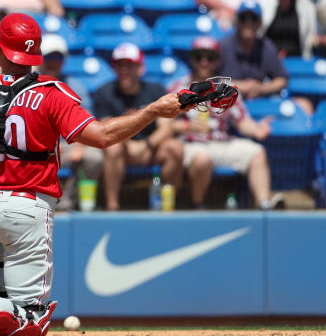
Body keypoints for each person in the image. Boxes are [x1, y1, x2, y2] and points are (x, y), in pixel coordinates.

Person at [0, 12, 186, 336]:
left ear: (0, 51)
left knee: (2, 306)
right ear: (35, 55)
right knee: (32, 319)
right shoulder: (52, 92)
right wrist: (152, 111)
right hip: (25, 211)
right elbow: (101, 137)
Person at [168, 36, 278, 210]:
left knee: (257, 152)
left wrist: (257, 130)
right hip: (190, 143)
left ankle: (264, 208)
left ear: (217, 61)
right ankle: (197, 206)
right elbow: (164, 125)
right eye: (199, 57)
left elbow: (242, 121)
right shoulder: (178, 87)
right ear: (192, 59)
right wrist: (186, 126)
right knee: (202, 159)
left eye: (209, 58)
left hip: (222, 142)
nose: (204, 62)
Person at [93, 42, 184, 211]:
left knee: (175, 148)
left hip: (150, 148)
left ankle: (168, 206)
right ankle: (113, 207)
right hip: (121, 148)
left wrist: (145, 145)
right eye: (120, 65)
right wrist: (129, 144)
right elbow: (105, 130)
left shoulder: (155, 91)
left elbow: (167, 128)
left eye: (130, 65)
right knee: (114, 149)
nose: (124, 69)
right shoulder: (104, 93)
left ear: (140, 68)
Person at [39, 33, 103, 211]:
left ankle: (67, 200)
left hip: (68, 144)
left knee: (93, 157)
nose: (53, 62)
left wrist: (80, 147)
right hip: (36, 145)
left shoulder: (74, 85)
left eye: (57, 57)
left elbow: (87, 117)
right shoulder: (30, 83)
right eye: (49, 57)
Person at [219, 0, 288, 100]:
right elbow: (207, 78)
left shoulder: (266, 46)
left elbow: (282, 79)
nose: (248, 23)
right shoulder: (223, 46)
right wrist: (238, 86)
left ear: (260, 23)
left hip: (259, 102)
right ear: (237, 22)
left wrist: (261, 88)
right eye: (243, 19)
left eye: (253, 19)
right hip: (227, 102)